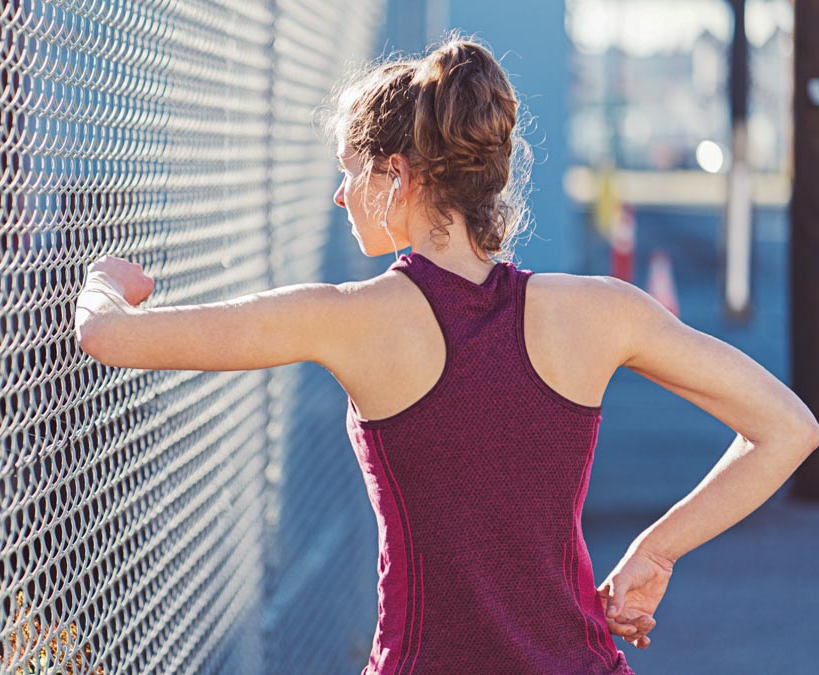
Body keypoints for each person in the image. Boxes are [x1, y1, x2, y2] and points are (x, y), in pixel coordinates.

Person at [73, 32, 819, 674]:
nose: (340, 195)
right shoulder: (600, 311)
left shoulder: (351, 319)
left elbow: (109, 336)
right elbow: (789, 427)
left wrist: (105, 280)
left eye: (347, 170)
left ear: (395, 175)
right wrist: (657, 550)